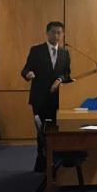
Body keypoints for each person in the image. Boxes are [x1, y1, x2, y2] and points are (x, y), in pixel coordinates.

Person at [21, 21, 72, 171]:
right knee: (42, 132)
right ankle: (41, 162)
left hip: (58, 99)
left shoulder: (65, 53)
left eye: (59, 33)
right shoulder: (36, 50)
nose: (56, 35)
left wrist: (59, 79)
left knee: (57, 131)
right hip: (39, 98)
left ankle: (56, 163)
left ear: (62, 35)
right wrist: (28, 74)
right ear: (47, 33)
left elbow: (67, 73)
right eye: (53, 32)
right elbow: (25, 69)